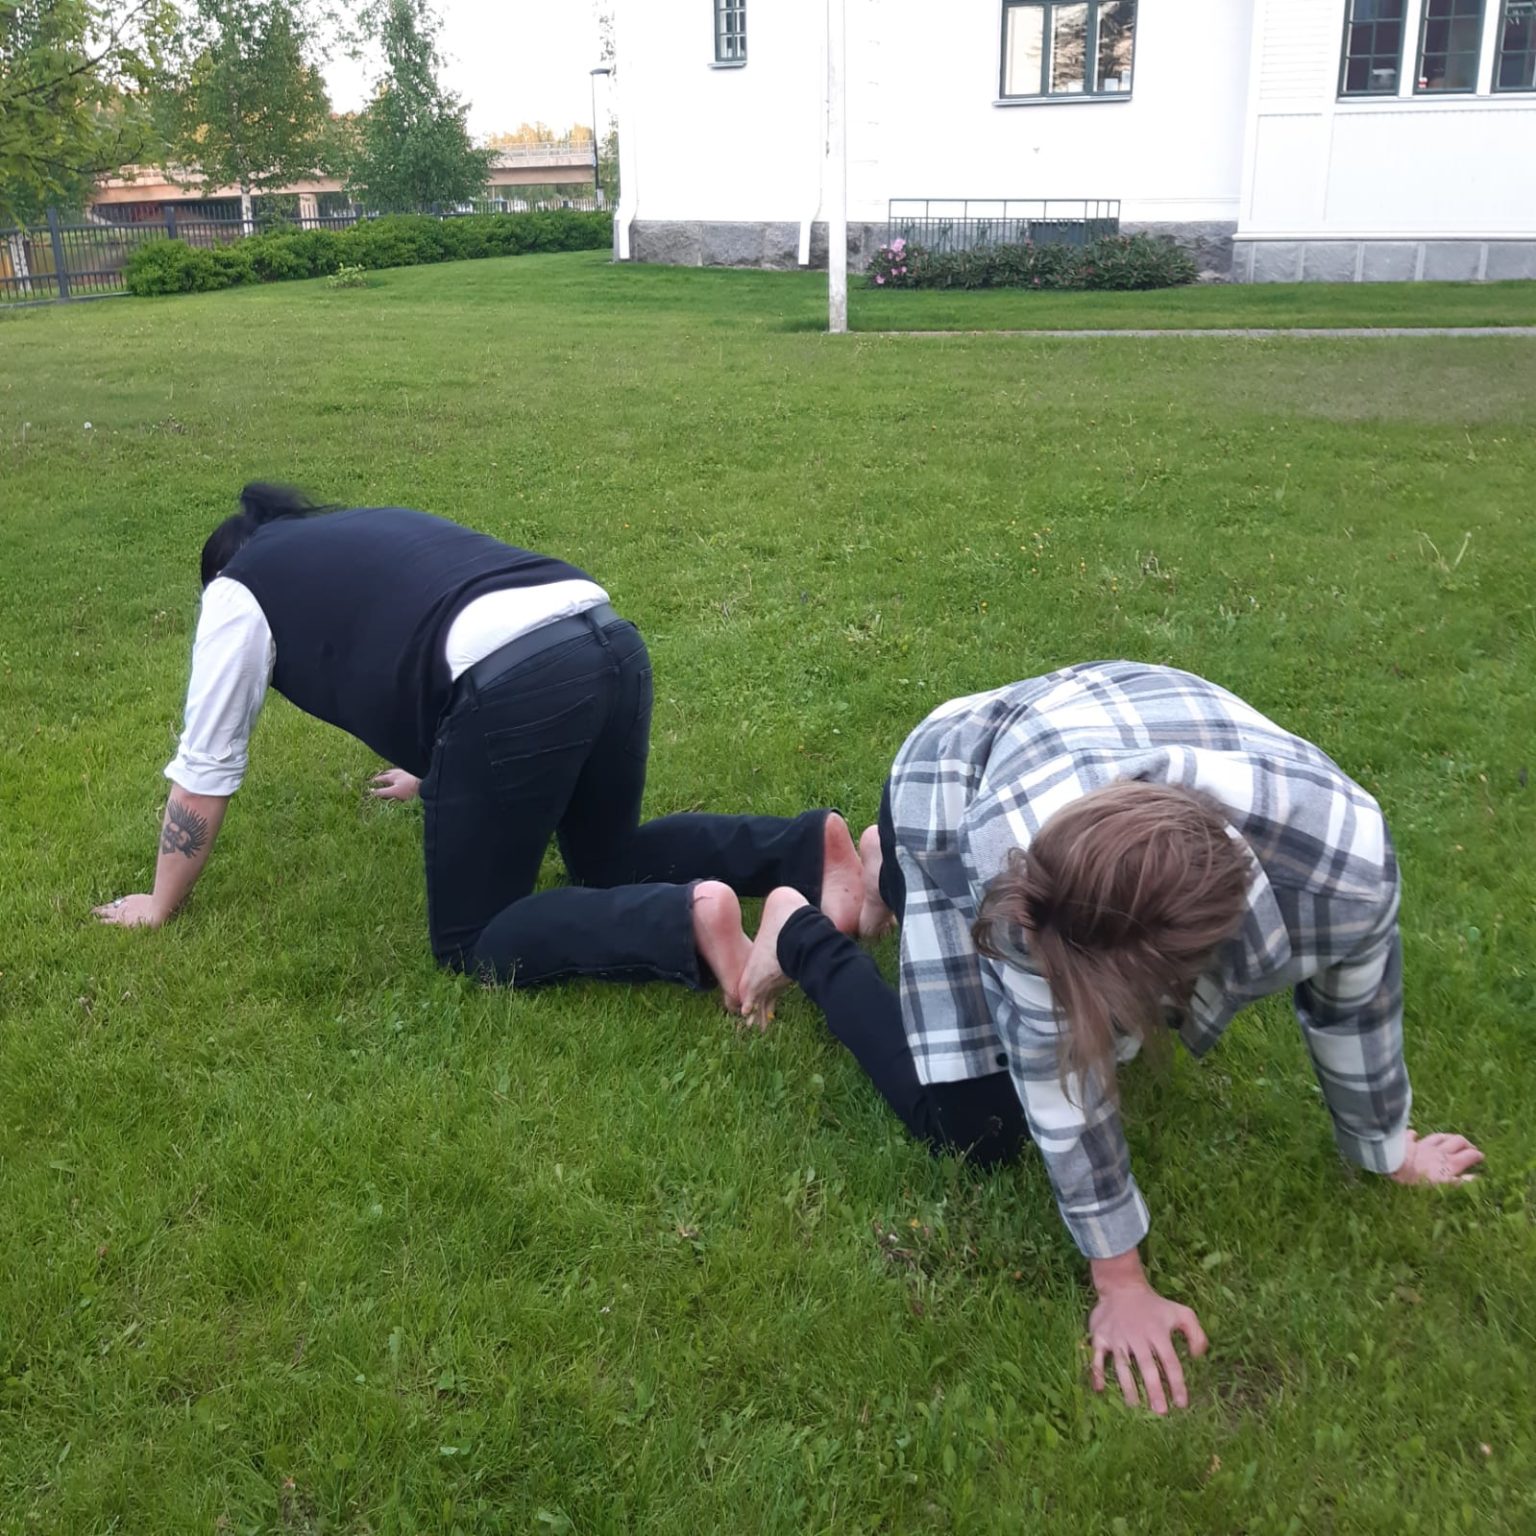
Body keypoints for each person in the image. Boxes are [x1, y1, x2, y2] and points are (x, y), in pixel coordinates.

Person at [731, 661, 1484, 1414]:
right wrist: (1119, 1281)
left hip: (1084, 731)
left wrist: (1386, 1148)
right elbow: (1054, 1072)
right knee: (973, 1131)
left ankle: (880, 872)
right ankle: (808, 928)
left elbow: (1355, 1005)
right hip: (951, 776)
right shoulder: (1017, 861)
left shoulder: (1347, 870)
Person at [95, 484, 862, 1003]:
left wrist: (160, 903)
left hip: (520, 686)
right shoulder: (354, 532)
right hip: (604, 638)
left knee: (473, 940)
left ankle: (687, 920)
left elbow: (206, 768)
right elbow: (424, 634)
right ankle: (804, 849)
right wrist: (437, 772)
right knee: (607, 858)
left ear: (218, 575)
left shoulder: (238, 588)